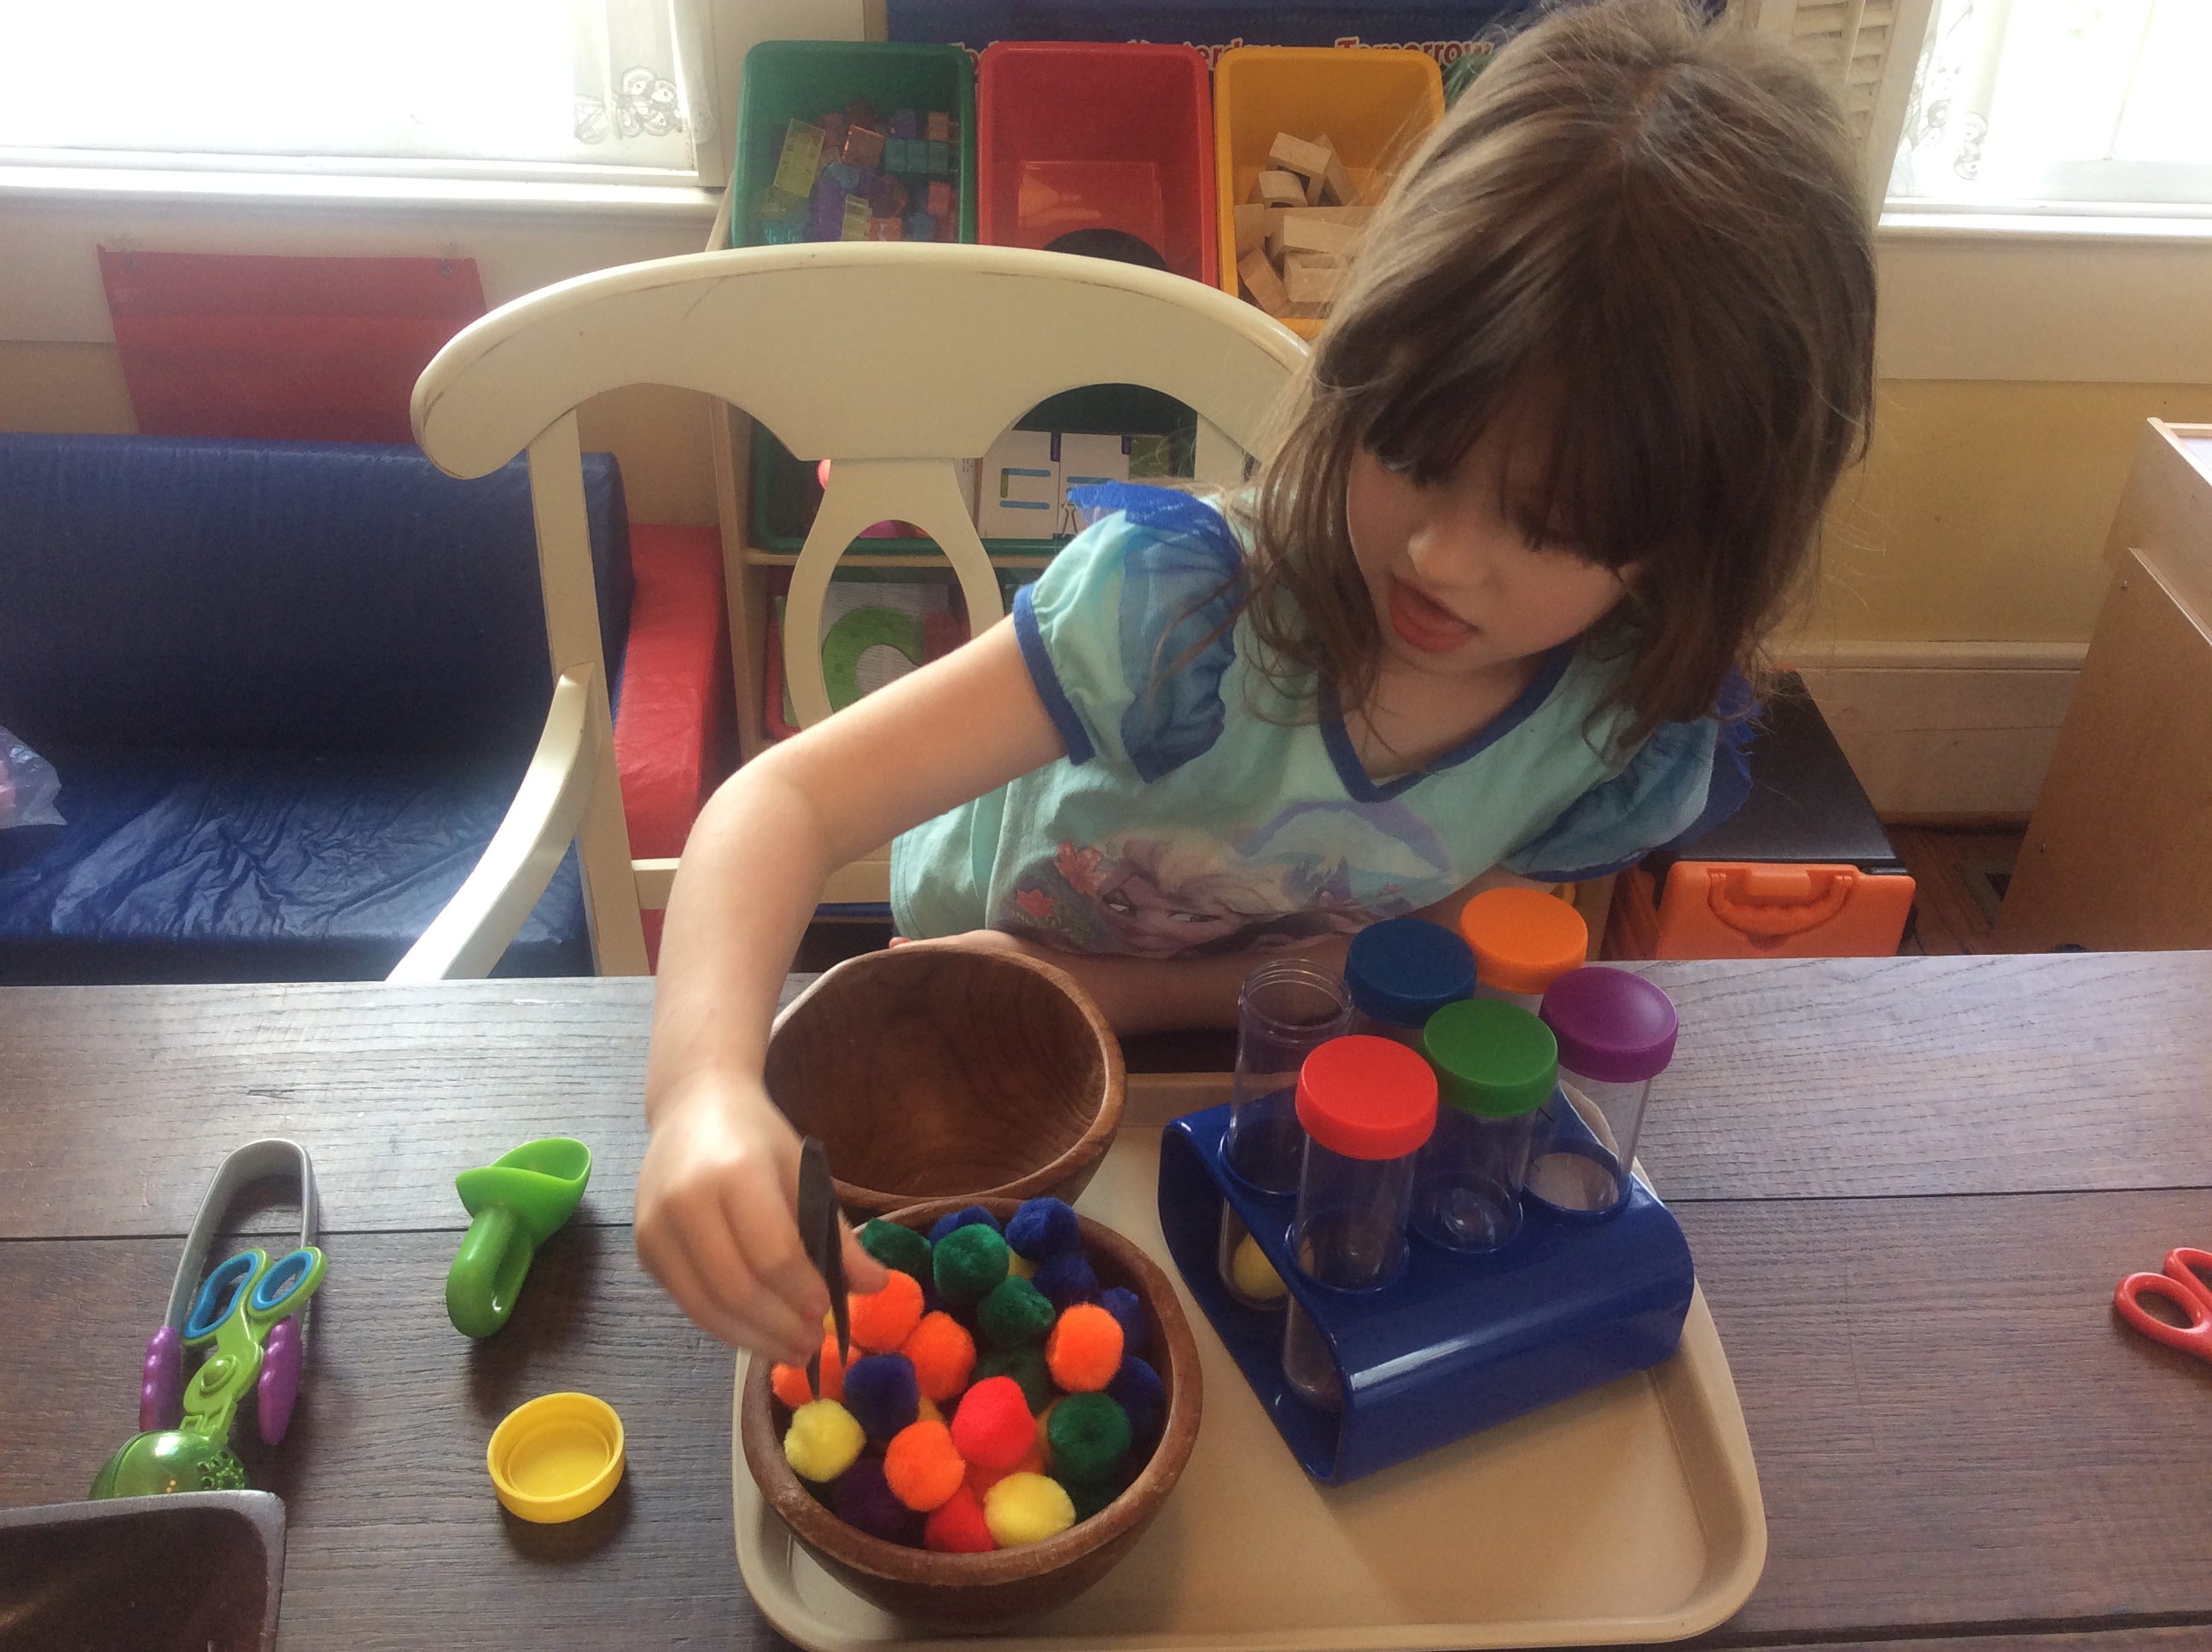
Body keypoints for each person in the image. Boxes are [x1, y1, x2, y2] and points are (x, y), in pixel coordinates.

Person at [637, 0, 1877, 1361]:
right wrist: (698, 1092)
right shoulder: (1174, 611)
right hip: (976, 1044)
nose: (1440, 557)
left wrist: (1116, 994)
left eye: (1550, 523)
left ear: (1690, 543)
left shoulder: (1615, 718)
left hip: (1252, 1076)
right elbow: (783, 802)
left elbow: (1425, 942)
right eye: (1409, 447)